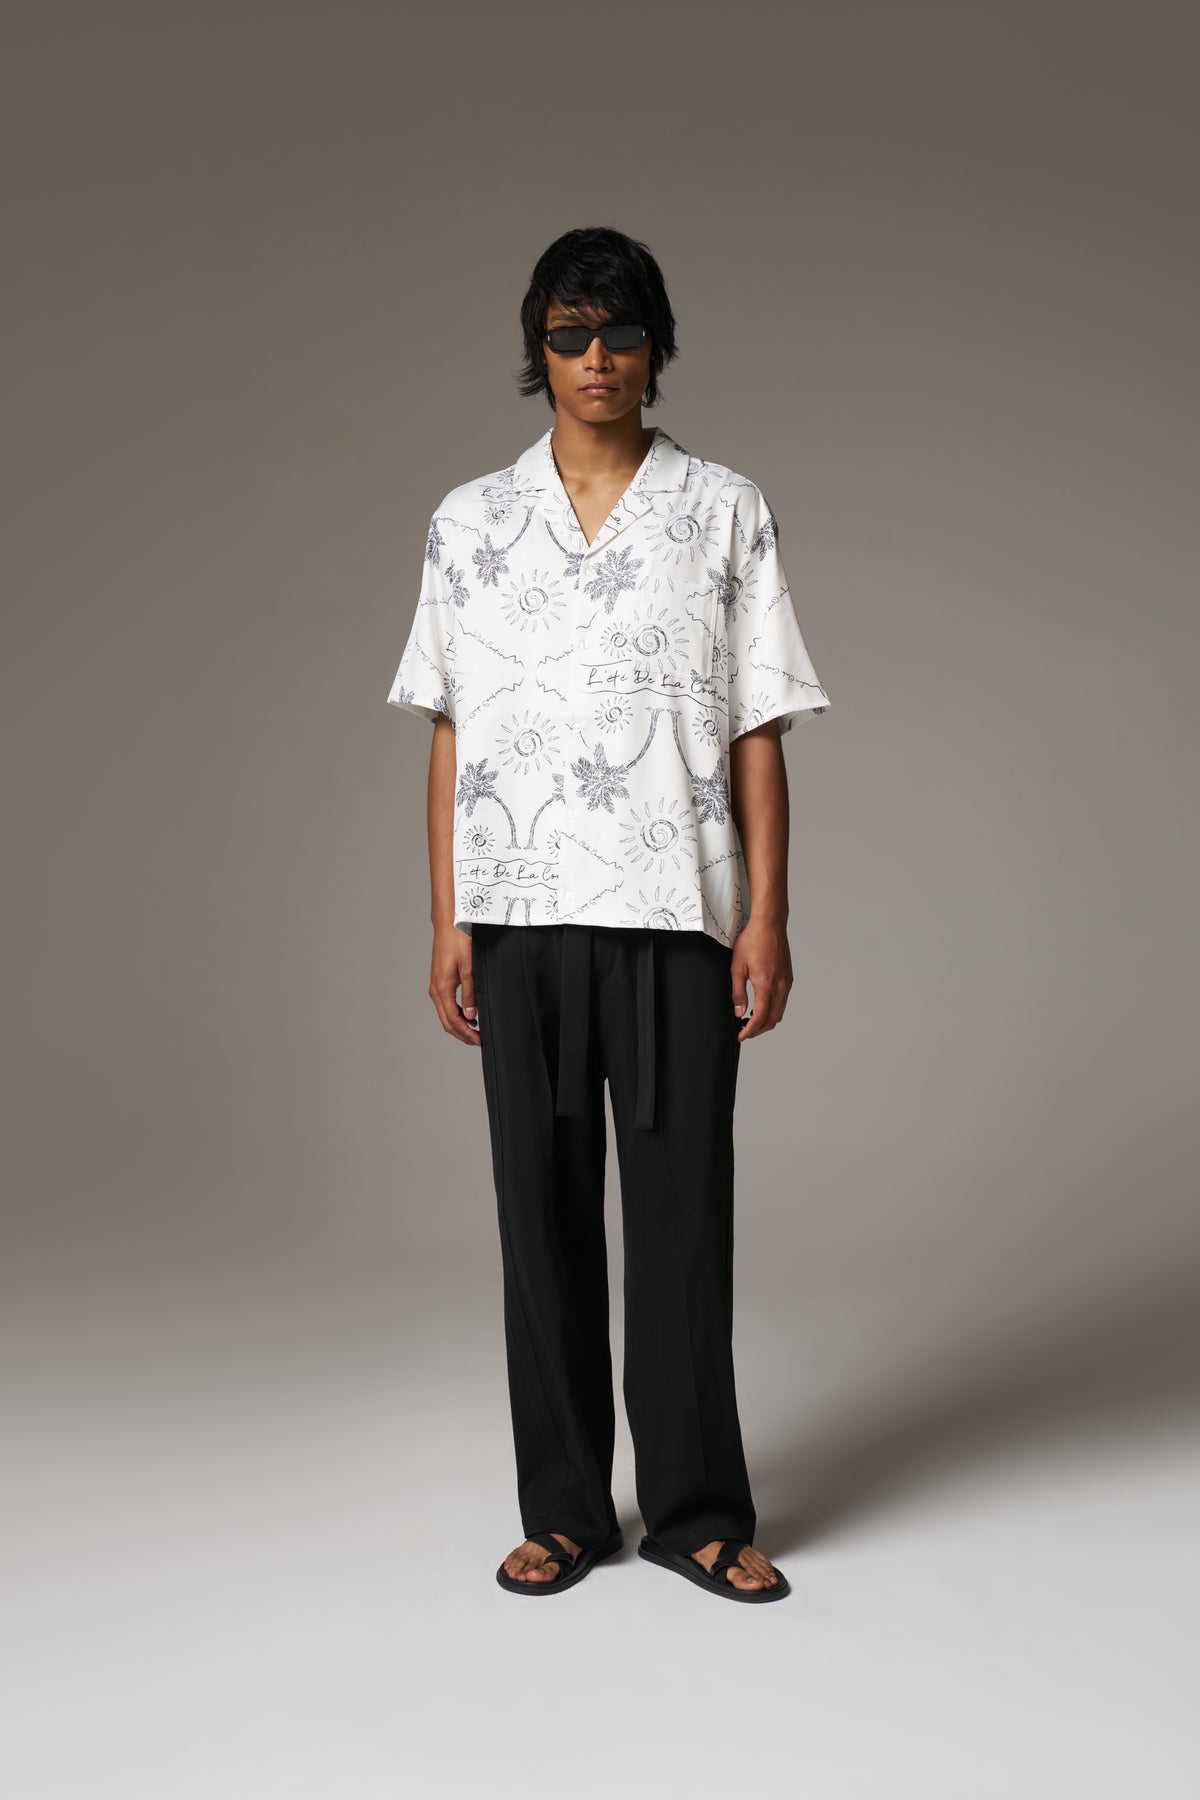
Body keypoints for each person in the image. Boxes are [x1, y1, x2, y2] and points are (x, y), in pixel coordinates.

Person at [387, 226, 831, 1603]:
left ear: (656, 347)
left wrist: (766, 915)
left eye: (621, 334)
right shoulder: (471, 521)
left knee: (684, 1216)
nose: (596, 360)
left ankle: (697, 1511)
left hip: (675, 913)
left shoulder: (723, 511)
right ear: (539, 349)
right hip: (518, 917)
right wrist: (448, 918)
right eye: (570, 335)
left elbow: (758, 729)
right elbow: (450, 729)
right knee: (539, 1216)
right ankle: (566, 1509)